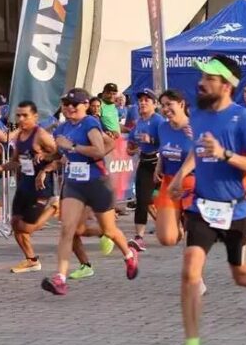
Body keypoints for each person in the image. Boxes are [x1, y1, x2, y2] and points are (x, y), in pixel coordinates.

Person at [167, 55, 246, 345]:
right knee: (190, 272)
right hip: (201, 206)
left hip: (237, 210)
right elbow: (197, 148)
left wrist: (225, 154)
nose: (202, 82)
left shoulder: (243, 119)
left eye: (210, 78)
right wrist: (181, 175)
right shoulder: (199, 114)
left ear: (226, 85)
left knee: (241, 275)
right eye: (202, 76)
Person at [41, 88, 139, 295]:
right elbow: (61, 154)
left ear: (85, 105)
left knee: (109, 230)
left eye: (74, 104)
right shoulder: (61, 129)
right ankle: (60, 278)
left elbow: (99, 149)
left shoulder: (90, 124)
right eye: (66, 104)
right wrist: (45, 160)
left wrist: (74, 147)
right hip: (74, 184)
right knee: (67, 229)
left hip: (97, 182)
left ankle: (129, 255)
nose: (69, 108)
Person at [0, 101, 61, 273]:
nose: (21, 119)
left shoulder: (41, 135)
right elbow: (16, 161)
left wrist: (45, 156)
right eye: (19, 115)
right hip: (24, 185)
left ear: (35, 117)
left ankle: (54, 208)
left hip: (40, 186)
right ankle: (31, 260)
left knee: (27, 228)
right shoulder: (20, 135)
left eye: (25, 115)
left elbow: (59, 154)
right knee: (15, 224)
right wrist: (2, 167)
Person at [153, 89, 195, 246]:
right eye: (162, 105)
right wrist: (159, 165)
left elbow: (201, 154)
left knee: (196, 238)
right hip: (169, 181)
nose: (165, 109)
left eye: (169, 104)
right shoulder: (163, 127)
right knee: (167, 239)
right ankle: (178, 223)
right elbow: (164, 148)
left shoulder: (195, 126)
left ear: (181, 104)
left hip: (193, 182)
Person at [127, 88, 165, 251]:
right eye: (140, 100)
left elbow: (167, 141)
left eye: (146, 100)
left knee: (162, 199)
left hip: (159, 162)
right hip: (144, 161)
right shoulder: (138, 122)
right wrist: (131, 148)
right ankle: (139, 237)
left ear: (155, 104)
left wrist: (152, 139)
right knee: (142, 200)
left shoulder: (159, 121)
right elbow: (131, 143)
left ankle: (177, 226)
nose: (142, 103)